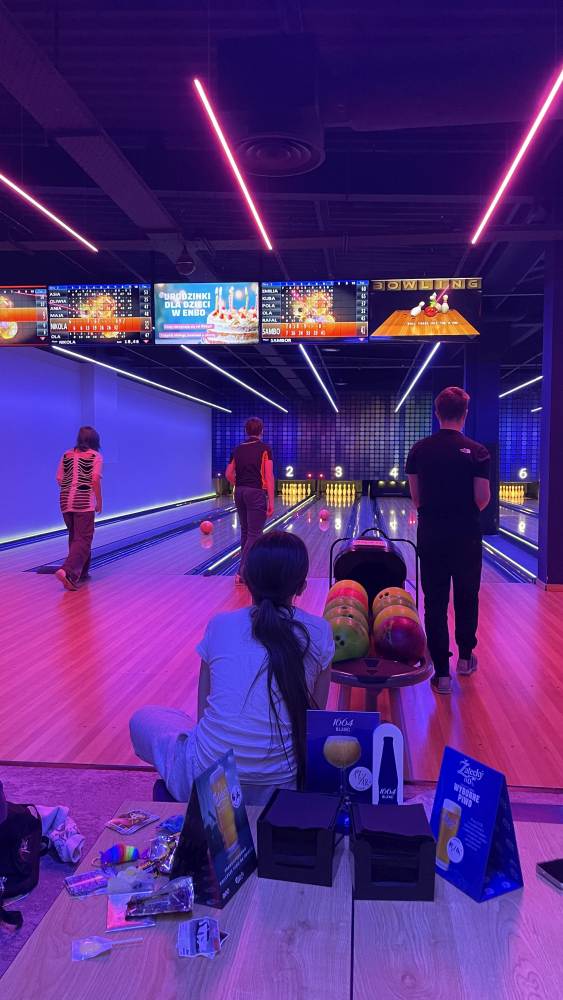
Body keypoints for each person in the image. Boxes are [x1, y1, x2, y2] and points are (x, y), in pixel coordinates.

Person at [130, 531, 334, 803]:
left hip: (210, 788)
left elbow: (203, 713)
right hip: (283, 793)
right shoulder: (320, 631)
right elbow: (314, 719)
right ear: (301, 587)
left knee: (144, 718)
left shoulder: (220, 625)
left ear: (246, 580)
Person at [406, 387, 491, 695]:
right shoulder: (478, 451)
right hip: (466, 535)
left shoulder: (419, 450)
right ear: (465, 414)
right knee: (467, 595)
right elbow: (482, 498)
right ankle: (465, 659)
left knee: (435, 602)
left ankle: (442, 673)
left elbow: (417, 497)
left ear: (436, 413)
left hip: (432, 535)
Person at [225, 417, 275, 584]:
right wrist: (271, 502)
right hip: (255, 493)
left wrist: (239, 483)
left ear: (246, 431)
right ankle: (242, 573)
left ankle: (249, 571)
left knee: (246, 532)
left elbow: (228, 474)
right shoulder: (265, 449)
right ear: (262, 431)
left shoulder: (237, 449)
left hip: (239, 492)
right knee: (254, 534)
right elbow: (269, 476)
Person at [55, 426, 103, 591]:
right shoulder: (95, 455)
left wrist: (70, 489)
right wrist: (99, 501)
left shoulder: (66, 454)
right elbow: (95, 479)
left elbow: (59, 479)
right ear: (95, 441)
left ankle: (81, 573)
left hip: (65, 501)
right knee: (83, 538)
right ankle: (68, 572)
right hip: (83, 502)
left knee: (76, 537)